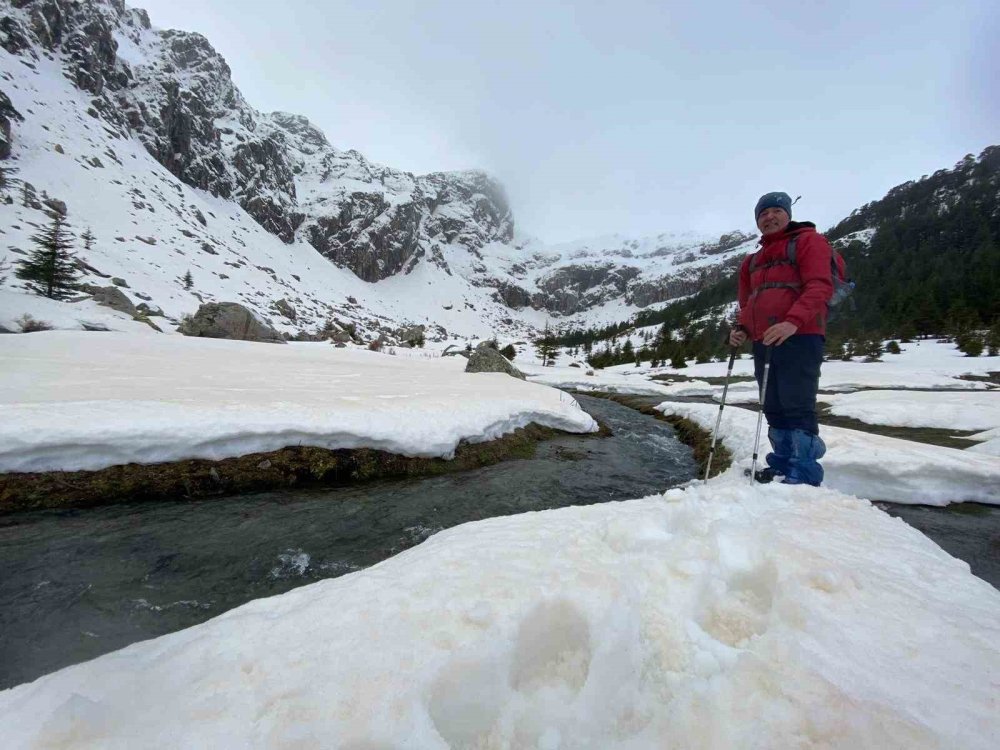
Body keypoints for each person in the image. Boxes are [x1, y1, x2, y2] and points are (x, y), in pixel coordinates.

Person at [729, 191, 834, 486]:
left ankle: (803, 473)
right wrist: (741, 329)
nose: (770, 217)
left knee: (797, 403)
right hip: (764, 341)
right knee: (772, 404)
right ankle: (781, 465)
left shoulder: (808, 241)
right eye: (763, 213)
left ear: (788, 215)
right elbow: (749, 303)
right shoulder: (751, 261)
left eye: (776, 211)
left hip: (801, 337)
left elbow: (819, 286)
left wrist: (792, 322)